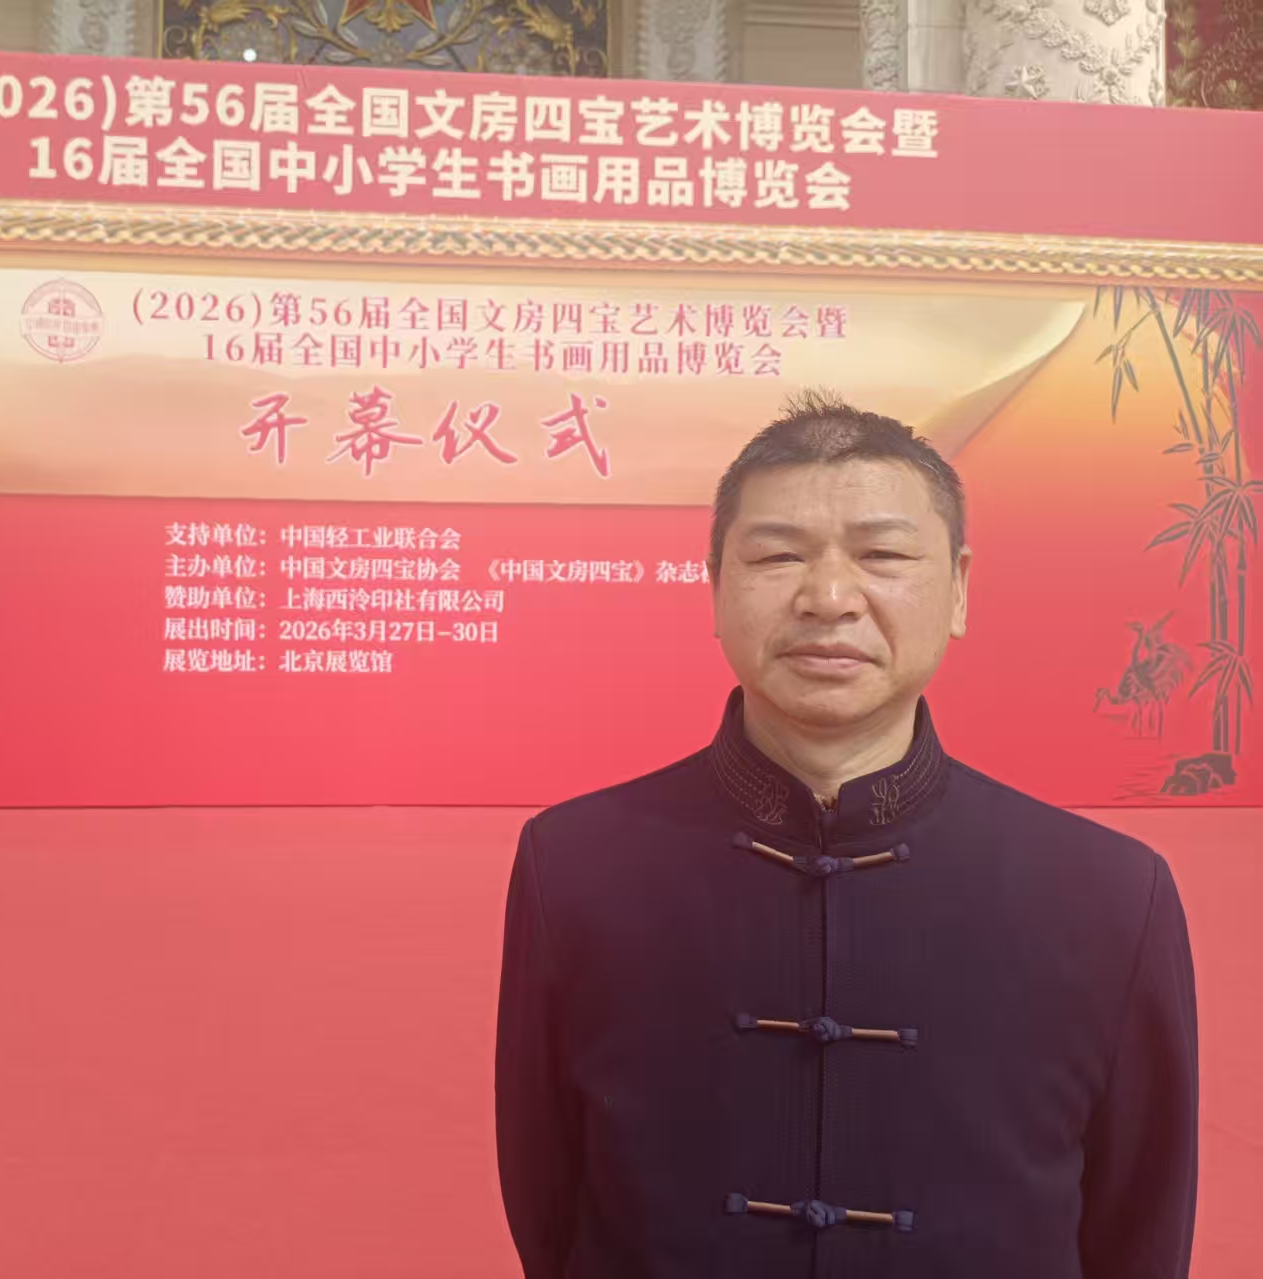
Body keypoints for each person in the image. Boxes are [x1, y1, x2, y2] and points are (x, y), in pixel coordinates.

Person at [494, 391, 1198, 1278]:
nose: (829, 598)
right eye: (777, 555)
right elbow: (550, 1208)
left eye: (883, 554)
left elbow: (1139, 1227)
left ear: (959, 588)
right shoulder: (574, 866)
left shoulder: (1111, 895)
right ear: (715, 586)